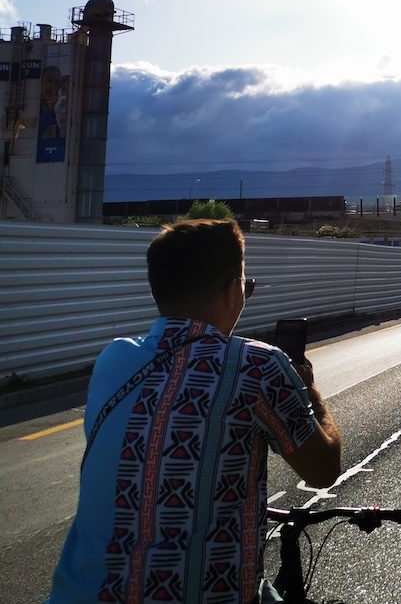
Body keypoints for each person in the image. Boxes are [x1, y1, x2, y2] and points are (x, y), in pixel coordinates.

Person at [46, 219, 342, 604]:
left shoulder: (113, 358)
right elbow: (324, 470)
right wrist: (312, 391)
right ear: (232, 291)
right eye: (246, 287)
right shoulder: (256, 364)